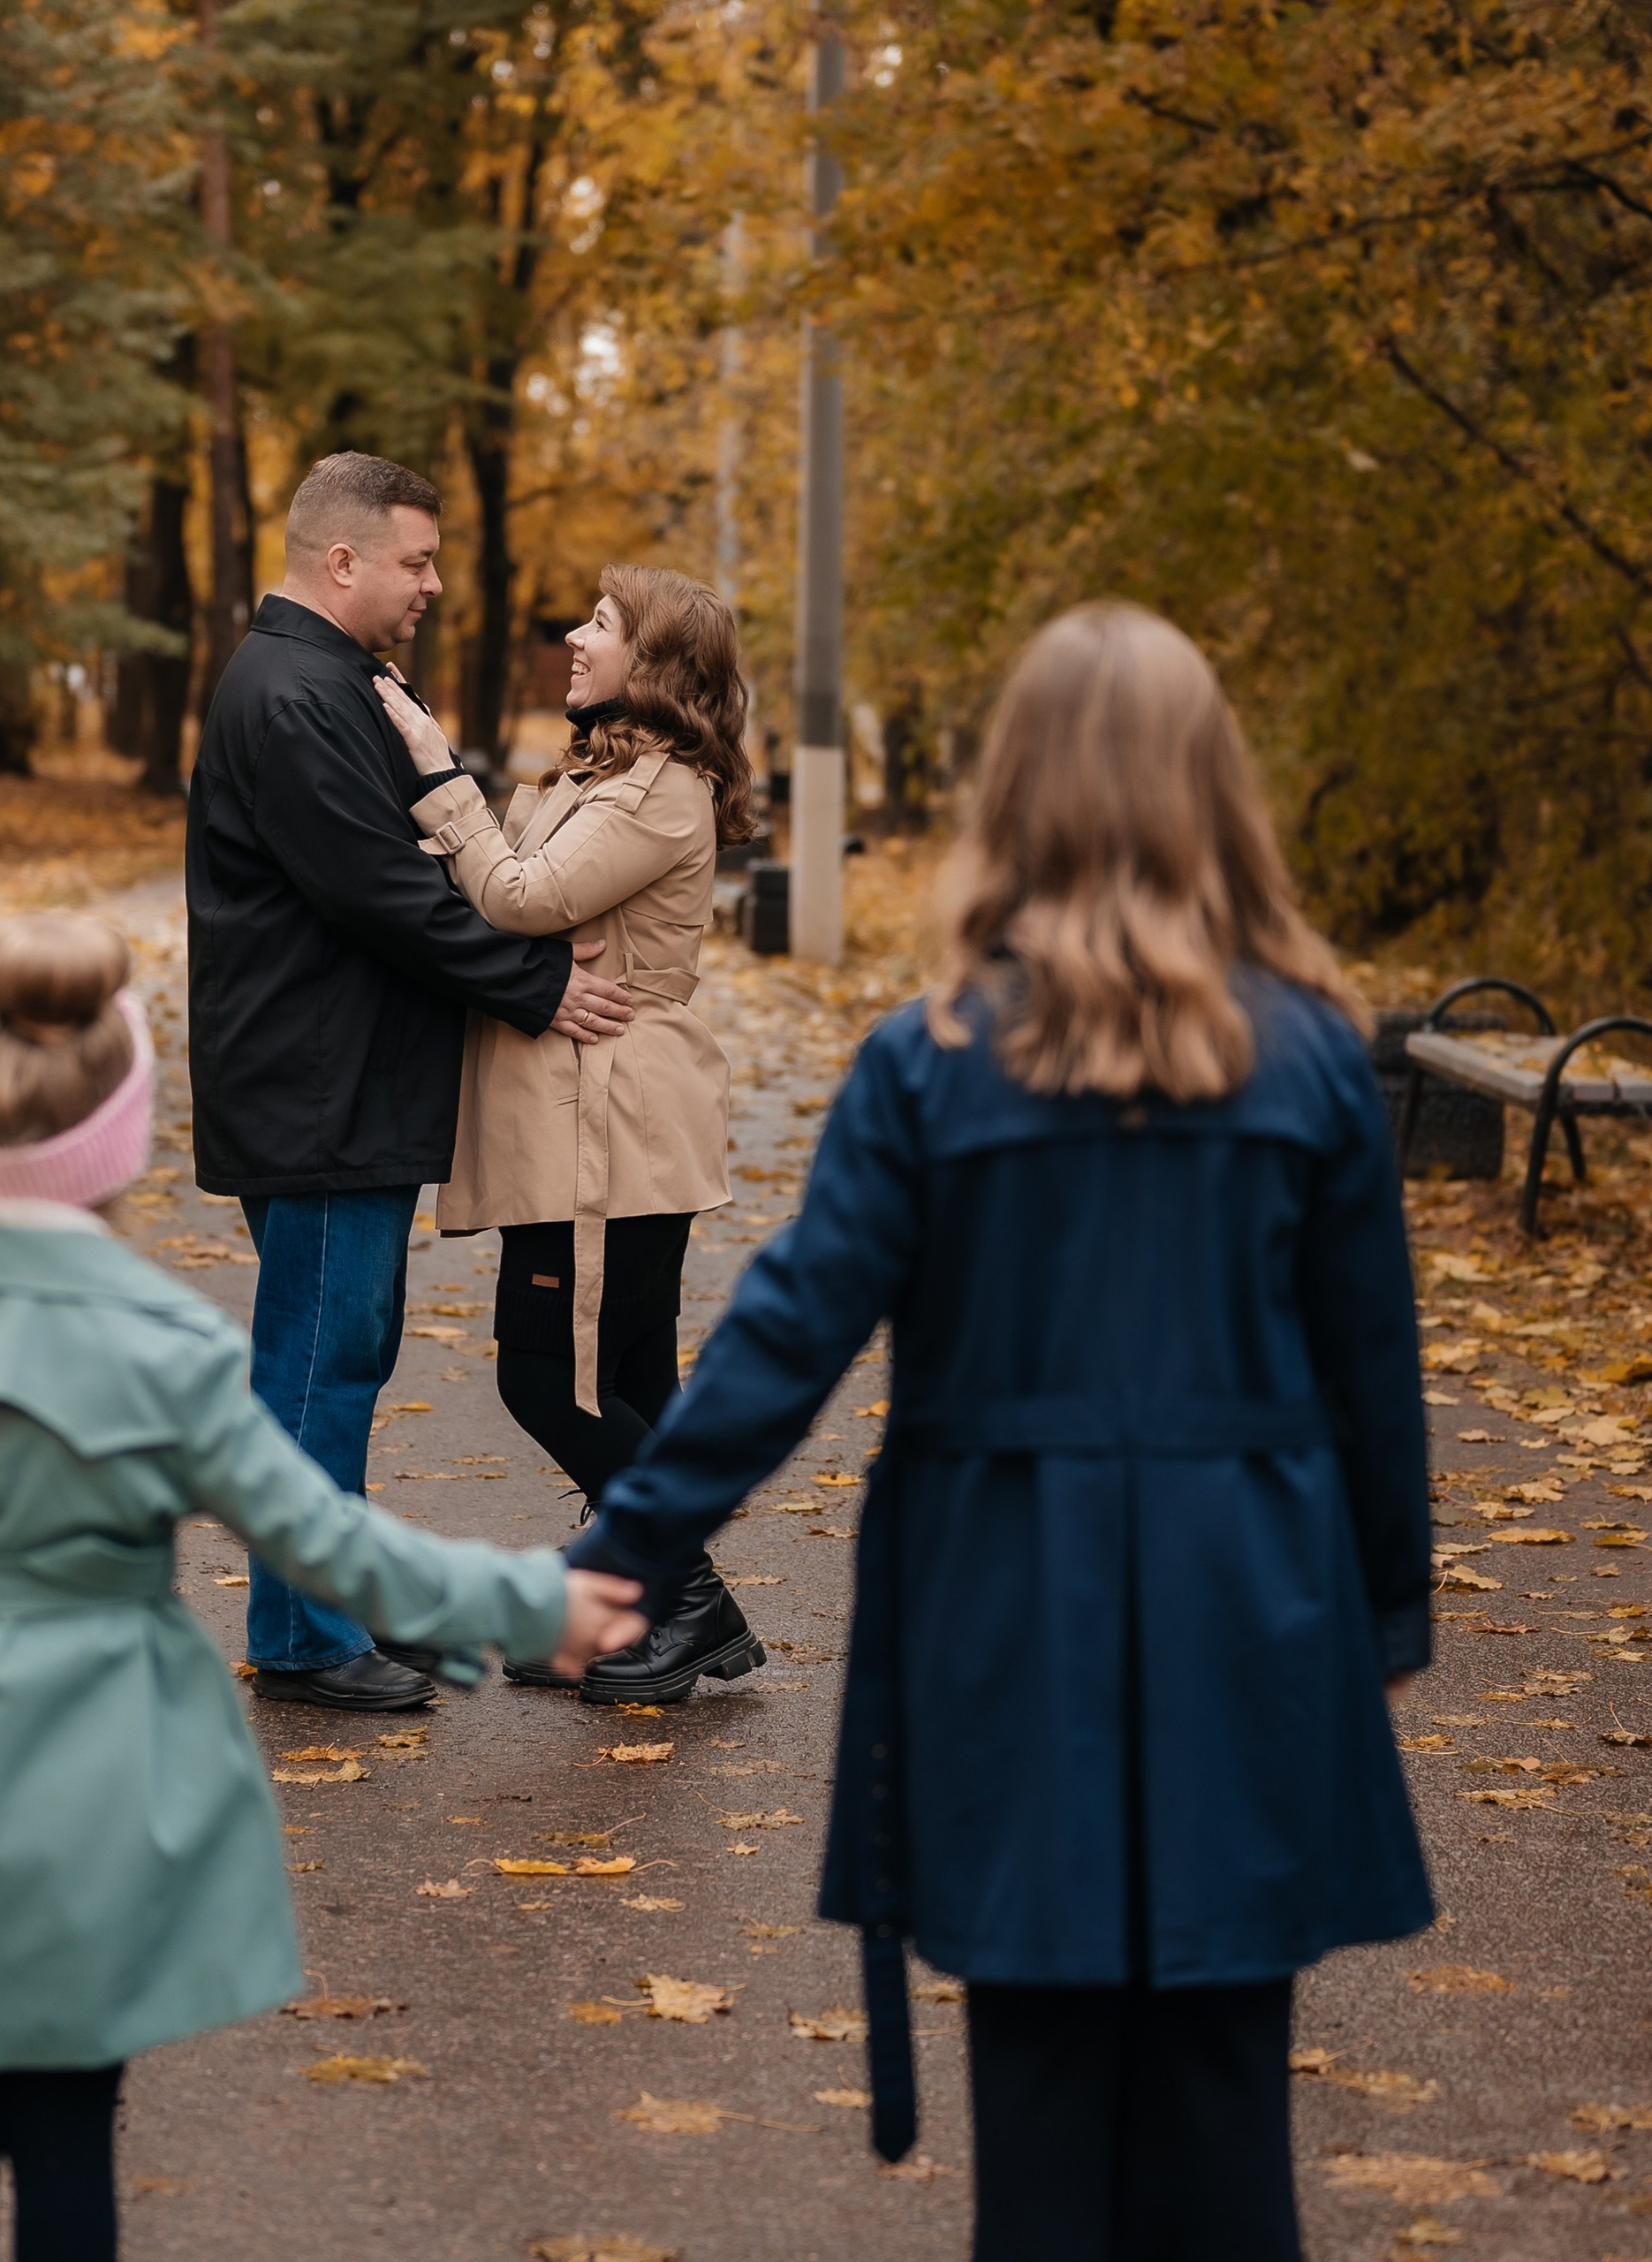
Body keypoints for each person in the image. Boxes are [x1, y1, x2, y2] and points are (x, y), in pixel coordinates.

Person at [567, 603, 1434, 2259]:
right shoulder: (1312, 1059)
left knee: (1034, 2098)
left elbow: (788, 1332)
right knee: (1227, 2094)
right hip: (1246, 1602)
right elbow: (1368, 1375)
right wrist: (1388, 1611)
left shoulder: (933, 1063)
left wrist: (629, 1552)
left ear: (1015, 796)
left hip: (1005, 1605)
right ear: (1212, 797)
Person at [0, 912, 646, 2262]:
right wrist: (535, 1603)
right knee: (71, 2135)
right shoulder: (169, 1346)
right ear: (120, 1146)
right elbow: (335, 1545)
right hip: (103, 1771)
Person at [186, 452, 637, 1712]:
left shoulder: (332, 681)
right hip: (318, 1094)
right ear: (343, 561)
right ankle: (304, 1639)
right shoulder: (296, 695)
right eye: (416, 559)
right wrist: (539, 985)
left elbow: (420, 866)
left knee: (340, 1355)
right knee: (321, 1365)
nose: (434, 583)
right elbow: (386, 897)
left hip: (334, 1086)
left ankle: (328, 1613)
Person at [372, 565, 767, 1704]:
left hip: (608, 1118)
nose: (572, 636)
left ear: (657, 666)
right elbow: (524, 893)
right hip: (598, 1113)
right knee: (628, 1368)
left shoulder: (657, 789)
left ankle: (687, 1601)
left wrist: (440, 774)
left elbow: (516, 896)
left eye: (601, 624)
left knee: (556, 1378)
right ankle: (630, 1608)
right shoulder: (616, 775)